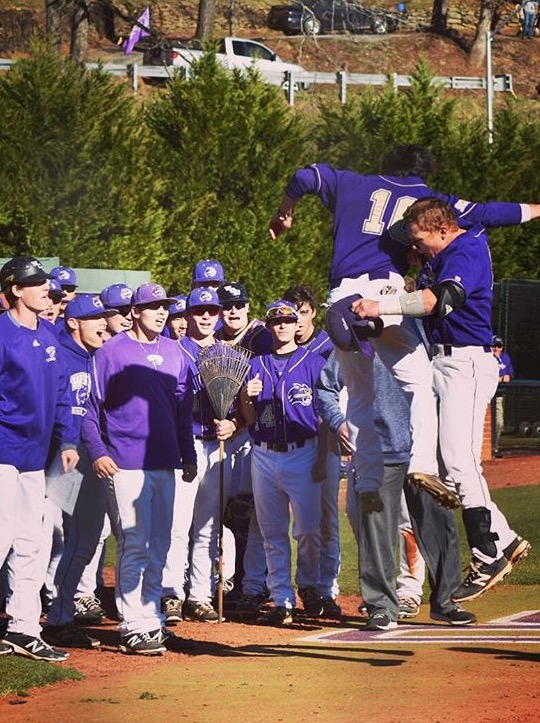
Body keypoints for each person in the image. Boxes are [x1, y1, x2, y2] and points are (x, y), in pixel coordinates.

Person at [269, 145, 540, 510]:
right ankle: (423, 465)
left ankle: (366, 481)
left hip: (344, 295)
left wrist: (284, 213)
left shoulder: (351, 182)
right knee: (421, 386)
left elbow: (305, 176)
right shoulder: (428, 201)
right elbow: (490, 213)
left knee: (359, 395)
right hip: (387, 294)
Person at [354, 197, 531, 602]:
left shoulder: (465, 250)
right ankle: (503, 539)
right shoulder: (444, 252)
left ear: (442, 230)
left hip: (465, 364)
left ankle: (489, 554)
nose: (415, 247)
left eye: (419, 239)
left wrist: (382, 304)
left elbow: (438, 302)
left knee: (458, 462)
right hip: (448, 363)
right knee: (449, 469)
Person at [81, 282, 197, 655]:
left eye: (165, 306)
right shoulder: (110, 353)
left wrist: (188, 454)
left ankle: (152, 619)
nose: (161, 312)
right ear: (135, 312)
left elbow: (182, 412)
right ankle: (132, 624)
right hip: (125, 462)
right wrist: (98, 450)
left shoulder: (176, 353)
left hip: (164, 462)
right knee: (135, 543)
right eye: (153, 306)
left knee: (160, 545)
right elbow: (89, 408)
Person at [344, 354, 476, 630]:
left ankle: (446, 601)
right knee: (376, 530)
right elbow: (325, 388)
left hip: (423, 451)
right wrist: (337, 422)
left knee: (439, 524)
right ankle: (381, 606)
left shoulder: (418, 334)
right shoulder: (357, 342)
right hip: (380, 451)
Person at [0, 256, 79, 662]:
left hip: (36, 456)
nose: (46, 288)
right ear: (15, 289)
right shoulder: (0, 332)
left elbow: (64, 393)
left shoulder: (50, 335)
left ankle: (23, 628)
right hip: (3, 451)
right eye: (36, 283)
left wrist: (68, 440)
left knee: (32, 542)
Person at [240, 300, 327, 626]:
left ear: (296, 324)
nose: (282, 326)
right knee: (272, 531)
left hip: (303, 451)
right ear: (269, 326)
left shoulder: (314, 363)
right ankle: (282, 599)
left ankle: (308, 584)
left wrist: (322, 459)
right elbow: (248, 419)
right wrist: (246, 396)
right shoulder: (256, 364)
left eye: (288, 320)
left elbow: (324, 417)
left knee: (307, 530)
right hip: (263, 453)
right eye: (276, 321)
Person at [41, 294, 117, 650]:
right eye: (95, 318)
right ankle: (55, 617)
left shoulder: (92, 357)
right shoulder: (59, 355)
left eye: (104, 317)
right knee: (54, 538)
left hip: (78, 456)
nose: (103, 323)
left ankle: (59, 614)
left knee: (80, 536)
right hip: (60, 458)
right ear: (73, 322)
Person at [162, 286, 238, 624]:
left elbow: (240, 408)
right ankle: (171, 593)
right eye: (198, 311)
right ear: (187, 315)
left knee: (209, 526)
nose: (206, 316)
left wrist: (233, 424)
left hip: (217, 445)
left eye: (212, 311)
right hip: (186, 444)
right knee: (178, 524)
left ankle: (200, 594)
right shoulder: (174, 350)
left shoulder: (227, 353)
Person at [214, 282, 273, 613]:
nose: (232, 310)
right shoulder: (215, 340)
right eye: (227, 305)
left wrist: (241, 422)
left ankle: (255, 582)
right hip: (221, 435)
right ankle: (228, 581)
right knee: (224, 513)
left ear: (248, 307)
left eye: (239, 304)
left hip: (250, 434)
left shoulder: (262, 337)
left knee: (250, 510)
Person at [492, 335, 514, 457]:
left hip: (500, 394)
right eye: (494, 345)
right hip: (487, 396)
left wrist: (508, 376)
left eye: (499, 346)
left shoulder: (505, 357)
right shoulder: (487, 357)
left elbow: (510, 372)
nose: (496, 348)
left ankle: (495, 447)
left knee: (499, 423)